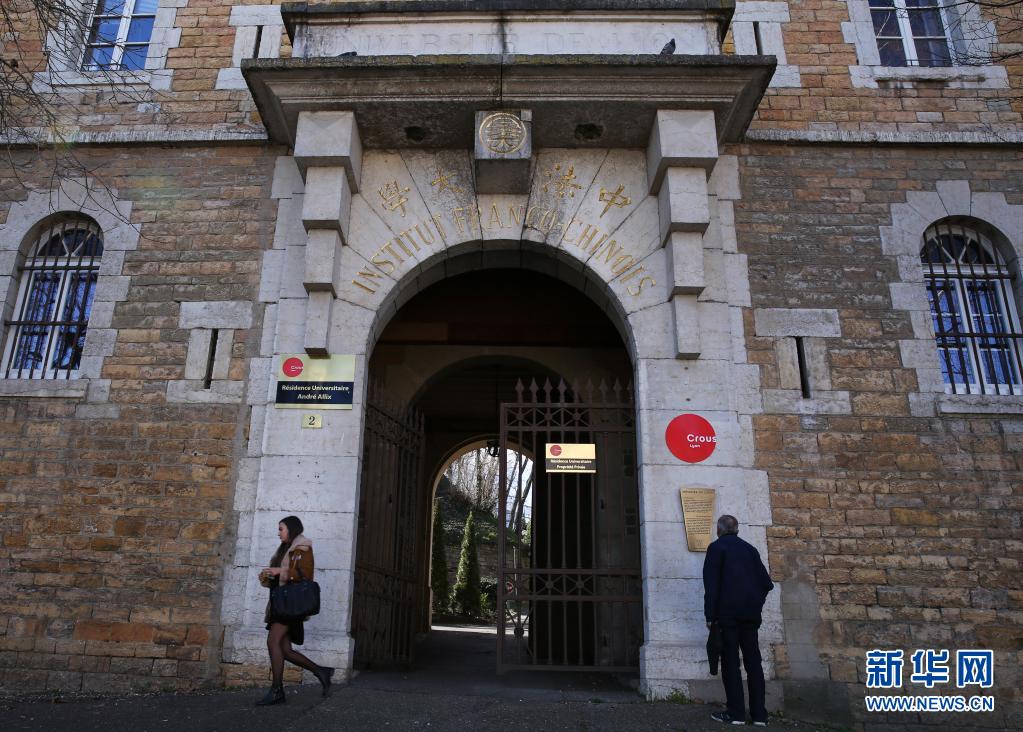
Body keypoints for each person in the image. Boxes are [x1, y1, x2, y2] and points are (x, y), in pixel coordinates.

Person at [702, 514, 774, 726]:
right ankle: (759, 715)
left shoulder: (717, 548)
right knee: (754, 663)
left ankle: (736, 713)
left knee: (730, 663)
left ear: (719, 530)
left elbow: (712, 585)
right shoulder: (750, 550)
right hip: (750, 615)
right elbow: (766, 583)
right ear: (737, 529)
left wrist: (710, 615)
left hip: (727, 616)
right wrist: (755, 604)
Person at [256, 515, 334, 706]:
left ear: (291, 529)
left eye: (281, 529)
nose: (278, 533)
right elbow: (280, 578)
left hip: (290, 605)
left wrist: (280, 572)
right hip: (280, 604)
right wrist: (268, 576)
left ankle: (277, 691)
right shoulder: (284, 549)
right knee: (285, 649)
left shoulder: (302, 548)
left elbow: (305, 575)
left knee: (272, 641)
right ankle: (321, 672)